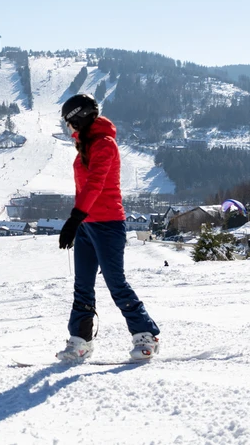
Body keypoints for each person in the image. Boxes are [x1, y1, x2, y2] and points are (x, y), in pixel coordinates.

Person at [56, 93, 160, 362]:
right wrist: (78, 223)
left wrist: (74, 218)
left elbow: (96, 184)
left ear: (79, 117)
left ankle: (145, 334)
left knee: (116, 283)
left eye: (69, 123)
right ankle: (81, 341)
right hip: (86, 227)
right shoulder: (85, 145)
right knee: (82, 286)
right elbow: (82, 189)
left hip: (108, 223)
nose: (68, 129)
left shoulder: (104, 144)